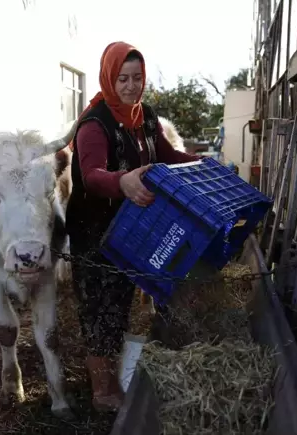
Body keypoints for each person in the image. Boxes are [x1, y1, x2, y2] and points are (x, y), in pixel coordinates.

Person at [65, 41, 201, 412]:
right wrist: (122, 181)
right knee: (99, 310)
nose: (129, 86)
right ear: (109, 78)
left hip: (128, 227)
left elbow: (167, 156)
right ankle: (102, 393)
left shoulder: (146, 117)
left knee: (120, 302)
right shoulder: (94, 124)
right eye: (122, 78)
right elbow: (92, 176)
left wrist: (200, 163)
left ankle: (111, 378)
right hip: (94, 232)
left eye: (137, 78)